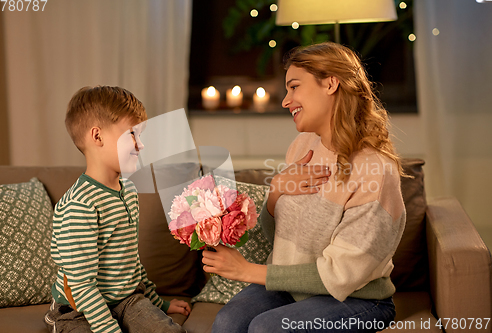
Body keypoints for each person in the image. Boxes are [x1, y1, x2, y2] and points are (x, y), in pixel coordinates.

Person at [202, 42, 407, 332]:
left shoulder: (376, 171)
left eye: (294, 87)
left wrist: (245, 271)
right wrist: (276, 192)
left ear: (331, 84)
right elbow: (281, 242)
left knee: (268, 328)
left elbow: (341, 275)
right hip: (291, 288)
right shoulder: (303, 146)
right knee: (226, 322)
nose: (286, 101)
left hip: (357, 299)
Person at [45, 86, 190, 333]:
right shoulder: (79, 206)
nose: (140, 145)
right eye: (132, 134)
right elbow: (82, 286)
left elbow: (130, 262)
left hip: (126, 300)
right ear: (97, 136)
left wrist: (159, 304)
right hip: (80, 308)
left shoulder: (129, 192)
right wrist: (110, 329)